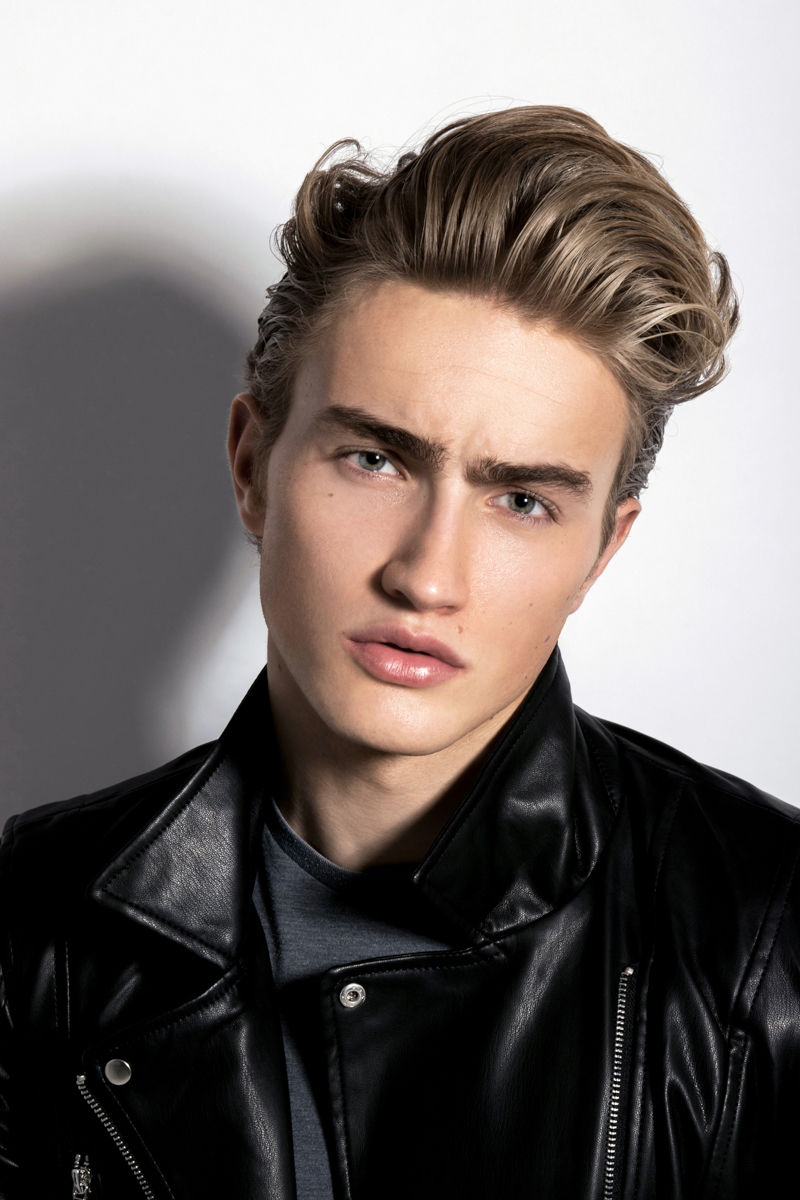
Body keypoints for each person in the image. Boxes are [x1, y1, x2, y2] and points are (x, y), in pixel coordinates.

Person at [0, 106, 797, 1200]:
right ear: (251, 465)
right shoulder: (35, 918)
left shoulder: (766, 933)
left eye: (522, 500)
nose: (427, 576)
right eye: (375, 459)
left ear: (600, 552)